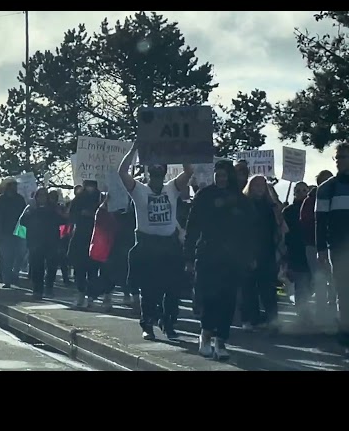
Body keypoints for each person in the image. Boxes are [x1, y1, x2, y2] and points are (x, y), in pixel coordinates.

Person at [118, 141, 193, 340]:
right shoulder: (139, 190)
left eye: (162, 166)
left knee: (172, 289)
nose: (158, 168)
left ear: (165, 171)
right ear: (149, 171)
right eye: (155, 166)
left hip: (169, 245)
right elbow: (122, 172)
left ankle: (168, 324)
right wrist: (134, 148)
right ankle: (148, 324)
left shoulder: (172, 188)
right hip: (148, 245)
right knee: (149, 289)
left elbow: (189, 171)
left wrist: (180, 150)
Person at [184, 159, 256, 360]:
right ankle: (205, 336)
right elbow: (192, 227)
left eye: (225, 175)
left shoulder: (240, 200)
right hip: (208, 254)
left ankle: (221, 340)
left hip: (233, 258)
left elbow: (249, 231)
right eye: (218, 174)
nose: (221, 178)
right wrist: (188, 256)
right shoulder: (204, 195)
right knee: (209, 297)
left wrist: (249, 255)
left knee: (228, 300)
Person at [315, 142, 349, 356]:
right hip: (339, 249)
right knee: (344, 294)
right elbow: (321, 221)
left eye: (345, 157)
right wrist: (320, 250)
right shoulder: (326, 188)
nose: (342, 161)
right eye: (339, 158)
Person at [240, 175, 282, 331]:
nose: (259, 188)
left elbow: (274, 230)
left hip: (267, 252)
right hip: (249, 251)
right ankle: (250, 319)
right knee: (249, 288)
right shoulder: (244, 205)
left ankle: (273, 320)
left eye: (262, 186)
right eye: (256, 185)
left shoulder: (269, 207)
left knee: (268, 288)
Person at [300, 169, 335, 325]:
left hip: (334, 246)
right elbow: (306, 221)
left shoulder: (337, 197)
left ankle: (334, 315)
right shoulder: (311, 200)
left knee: (335, 282)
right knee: (320, 281)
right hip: (313, 246)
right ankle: (321, 315)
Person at [20, 187, 65, 299]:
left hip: (51, 242)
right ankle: (37, 290)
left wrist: (60, 212)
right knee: (37, 267)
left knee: (51, 267)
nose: (42, 198)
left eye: (44, 195)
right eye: (40, 195)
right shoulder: (31, 209)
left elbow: (63, 221)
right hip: (36, 242)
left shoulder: (53, 209)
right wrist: (28, 213)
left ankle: (49, 288)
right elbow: (22, 222)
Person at [67, 180, 102, 308]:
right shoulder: (78, 199)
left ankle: (91, 296)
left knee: (93, 269)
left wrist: (94, 215)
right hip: (80, 238)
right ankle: (81, 293)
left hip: (96, 237)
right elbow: (71, 215)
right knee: (79, 268)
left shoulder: (101, 198)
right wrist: (81, 214)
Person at [282, 181, 311, 324]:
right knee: (300, 283)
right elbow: (285, 232)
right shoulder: (288, 211)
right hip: (295, 250)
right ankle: (302, 314)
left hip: (310, 248)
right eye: (298, 190)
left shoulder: (312, 208)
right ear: (294, 193)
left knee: (311, 282)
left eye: (304, 190)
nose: (301, 193)